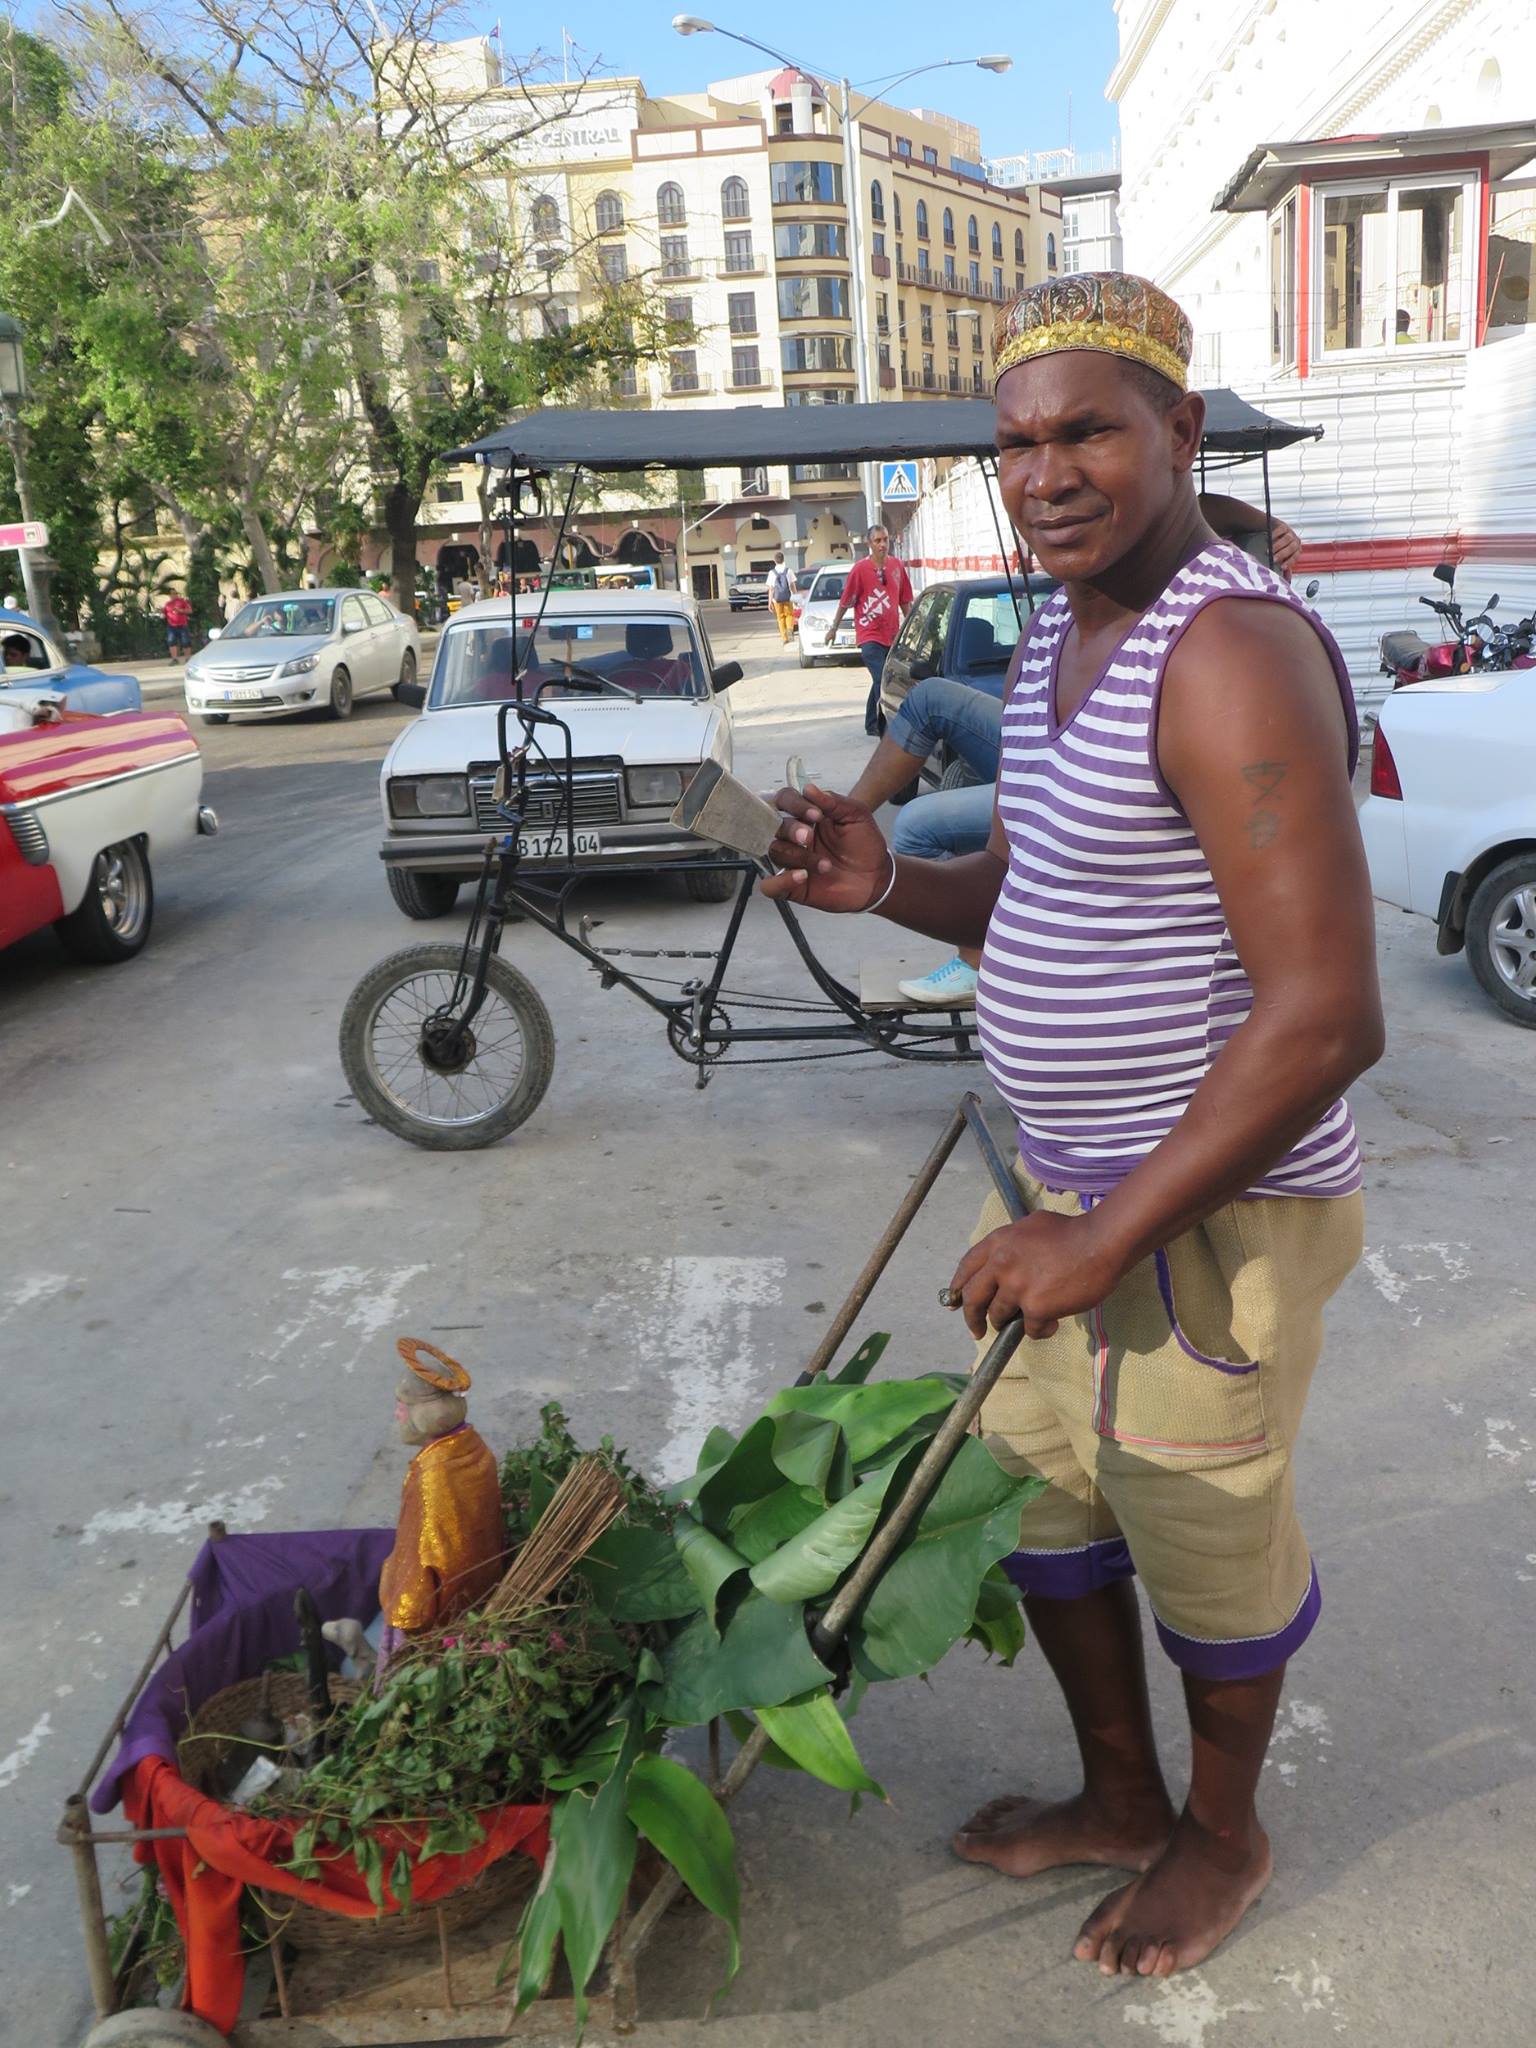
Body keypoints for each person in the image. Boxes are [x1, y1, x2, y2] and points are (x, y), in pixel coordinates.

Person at [763, 271, 1382, 1980]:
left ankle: (1221, 1827)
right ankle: (1119, 1794)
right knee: (1048, 1508)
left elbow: (1326, 1014)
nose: (1043, 472)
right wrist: (891, 879)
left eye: (1088, 430)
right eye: (1014, 441)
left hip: (1197, 1225)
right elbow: (1047, 895)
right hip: (1066, 1193)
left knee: (1203, 1535)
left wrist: (1100, 1235)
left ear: (1179, 428)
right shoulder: (1054, 624)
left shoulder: (1231, 651)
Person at [826, 525, 914, 735]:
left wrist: (911, 628)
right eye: (877, 541)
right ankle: (888, 726)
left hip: (891, 635)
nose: (883, 544)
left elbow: (905, 600)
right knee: (882, 678)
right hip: (869, 635)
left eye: (885, 539)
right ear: (869, 544)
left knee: (880, 678)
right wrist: (833, 628)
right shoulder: (859, 570)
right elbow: (846, 601)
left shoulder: (896, 566)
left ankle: (871, 722)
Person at [768, 552, 795, 644]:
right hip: (788, 598)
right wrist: (795, 596)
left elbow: (771, 589)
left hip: (777, 599)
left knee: (780, 618)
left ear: (775, 561)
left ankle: (784, 638)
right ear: (783, 559)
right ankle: (790, 631)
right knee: (789, 615)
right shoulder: (789, 571)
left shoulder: (772, 573)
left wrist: (770, 602)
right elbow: (792, 585)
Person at [162, 591, 192, 661]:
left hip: (182, 625)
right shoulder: (167, 604)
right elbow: (165, 614)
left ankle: (187, 658)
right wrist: (162, 615)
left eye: (174, 594)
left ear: (177, 595)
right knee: (171, 641)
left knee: (186, 642)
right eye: (171, 594)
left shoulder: (183, 602)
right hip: (171, 626)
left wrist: (180, 610)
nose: (172, 595)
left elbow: (189, 611)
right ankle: (174, 659)